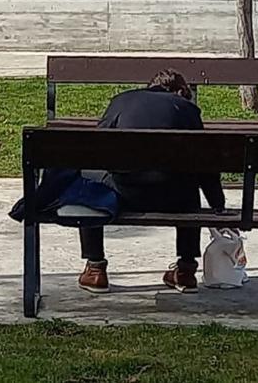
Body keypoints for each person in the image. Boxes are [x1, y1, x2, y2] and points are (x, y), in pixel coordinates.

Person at [78, 68, 227, 295]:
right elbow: (205, 166)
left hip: (124, 194)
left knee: (90, 185)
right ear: (180, 92)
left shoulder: (122, 101)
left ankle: (96, 268)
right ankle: (186, 270)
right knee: (188, 185)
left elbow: (96, 149)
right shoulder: (188, 110)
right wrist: (218, 205)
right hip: (175, 200)